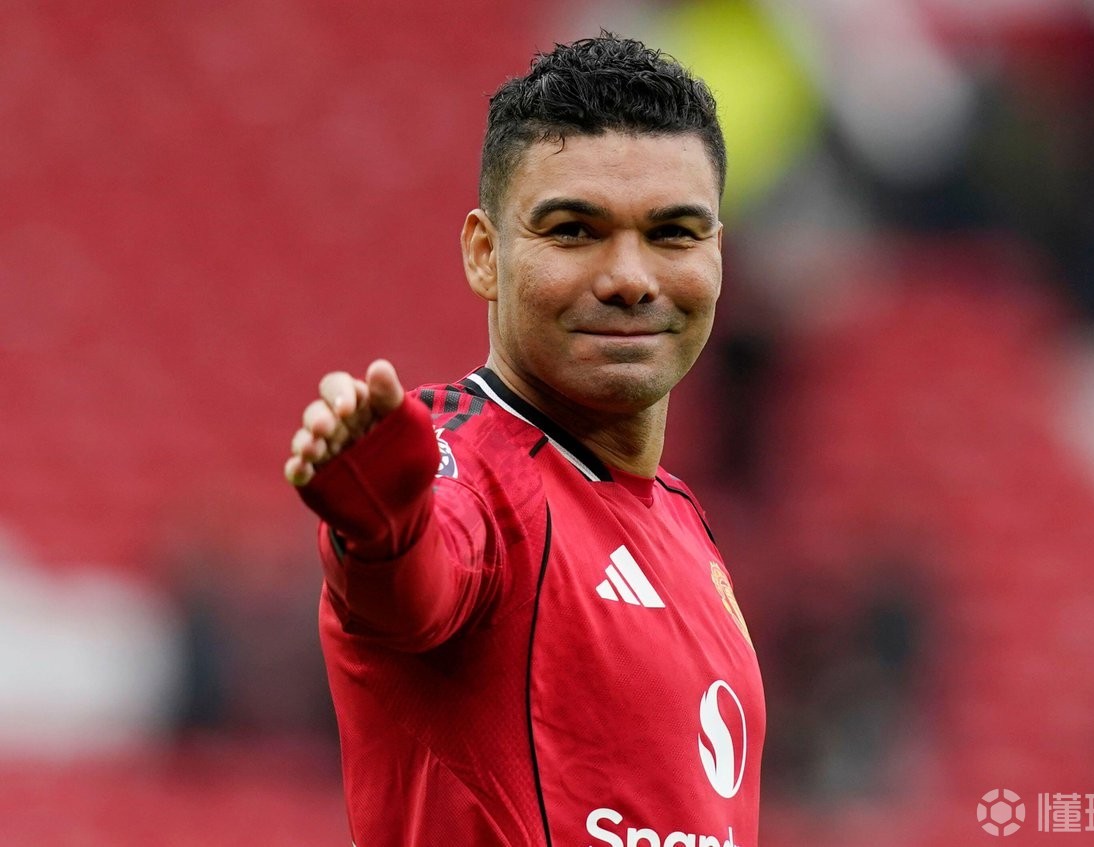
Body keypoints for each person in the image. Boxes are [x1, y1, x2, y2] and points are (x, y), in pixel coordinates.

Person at [284, 34, 764, 847]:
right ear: (485, 254)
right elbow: (419, 580)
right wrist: (382, 526)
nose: (630, 277)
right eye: (574, 230)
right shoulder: (473, 470)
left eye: (674, 232)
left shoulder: (684, 523)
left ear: (716, 253)